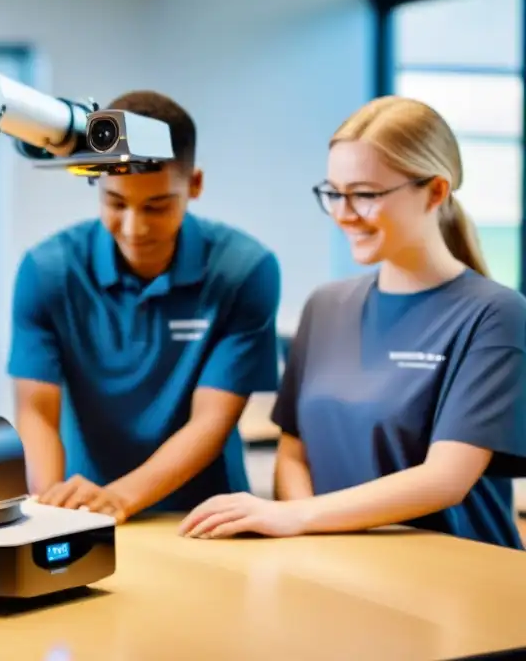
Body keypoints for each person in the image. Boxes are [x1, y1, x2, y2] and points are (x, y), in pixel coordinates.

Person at [179, 95, 526, 549]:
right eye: (334, 193)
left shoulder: (495, 314)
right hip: (341, 571)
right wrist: (307, 538)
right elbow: (293, 454)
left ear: (436, 192)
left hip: (457, 586)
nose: (343, 213)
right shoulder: (325, 306)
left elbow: (446, 479)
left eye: (364, 194)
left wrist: (297, 517)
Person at [9, 90, 282, 522]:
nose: (135, 228)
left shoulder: (244, 270)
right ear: (96, 181)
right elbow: (36, 409)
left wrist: (119, 498)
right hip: (86, 509)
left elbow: (211, 421)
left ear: (194, 185)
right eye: (115, 203)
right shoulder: (48, 270)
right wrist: (48, 503)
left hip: (204, 515)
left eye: (157, 206)